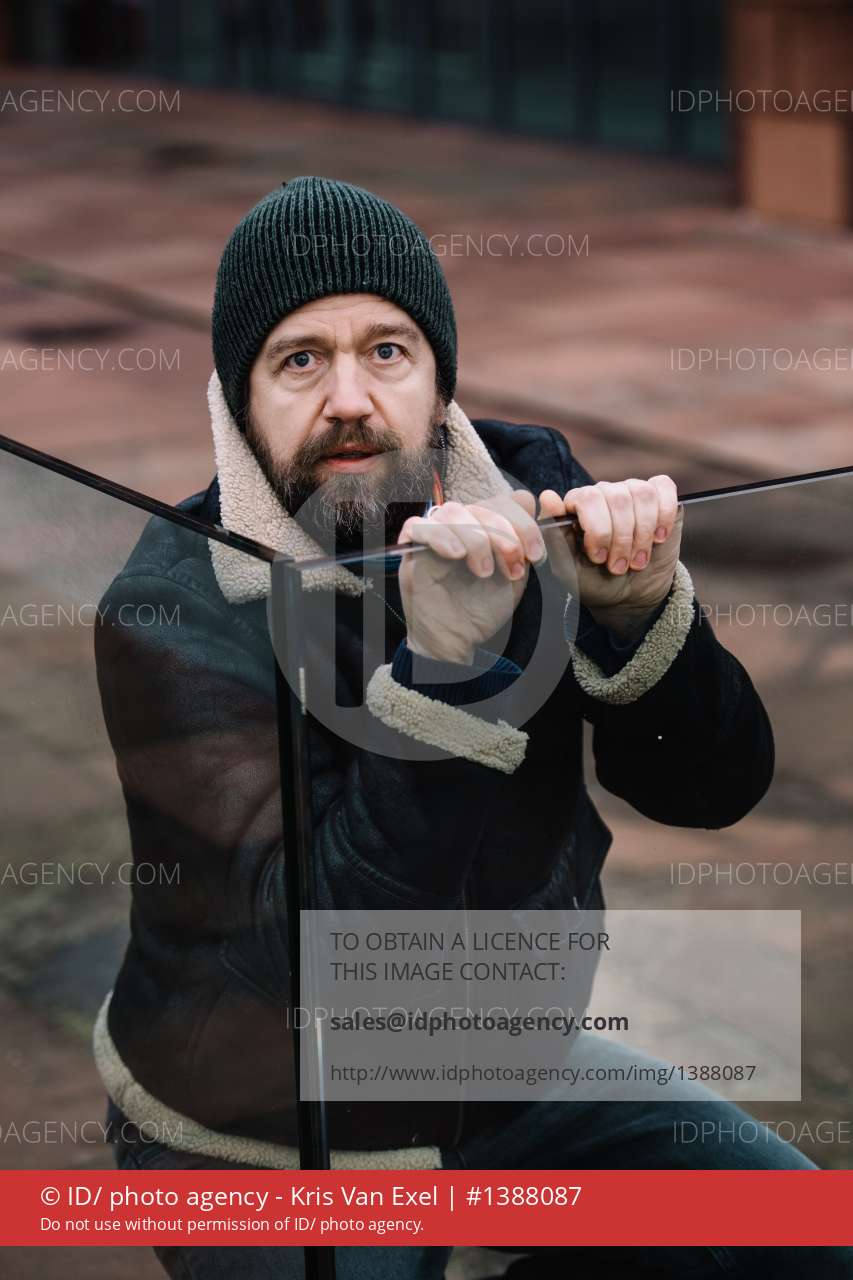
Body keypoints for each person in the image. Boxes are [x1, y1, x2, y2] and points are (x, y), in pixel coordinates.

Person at [92, 177, 849, 1279]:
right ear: (236, 400)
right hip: (264, 1125)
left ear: (440, 376)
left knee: (804, 1241)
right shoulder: (174, 611)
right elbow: (325, 975)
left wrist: (642, 617)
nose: (349, 398)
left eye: (386, 351)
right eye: (298, 360)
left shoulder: (532, 488)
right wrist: (444, 673)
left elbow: (710, 790)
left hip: (497, 1069)